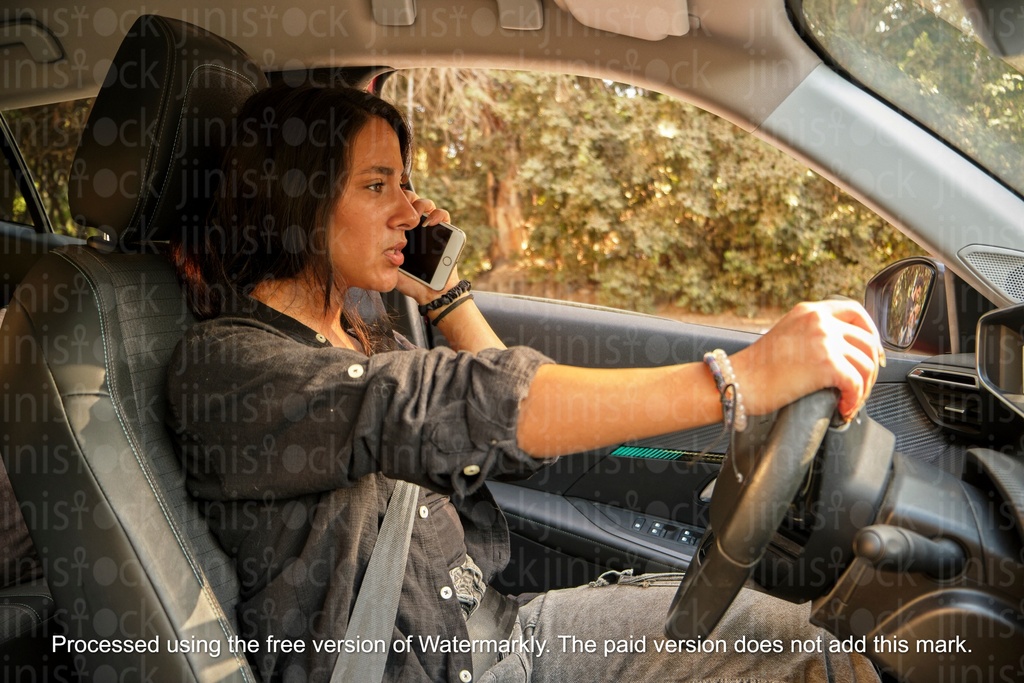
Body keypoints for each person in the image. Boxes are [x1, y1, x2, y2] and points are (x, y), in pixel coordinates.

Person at [165, 83, 883, 683]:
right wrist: (737, 381)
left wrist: (442, 294)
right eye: (377, 185)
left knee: (793, 638)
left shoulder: (362, 326)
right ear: (299, 201)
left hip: (497, 633)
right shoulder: (229, 368)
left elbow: (495, 412)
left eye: (406, 186)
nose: (411, 212)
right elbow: (454, 406)